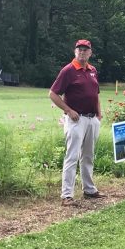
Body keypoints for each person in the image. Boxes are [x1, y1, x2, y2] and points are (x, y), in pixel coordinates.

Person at [49, 39, 105, 207]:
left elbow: (96, 94)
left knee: (88, 155)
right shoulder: (69, 70)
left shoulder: (92, 70)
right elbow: (53, 94)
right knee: (72, 156)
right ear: (75, 52)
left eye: (85, 50)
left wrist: (99, 114)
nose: (82, 53)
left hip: (91, 118)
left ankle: (89, 189)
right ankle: (67, 195)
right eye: (79, 50)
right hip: (76, 119)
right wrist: (68, 110)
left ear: (90, 53)